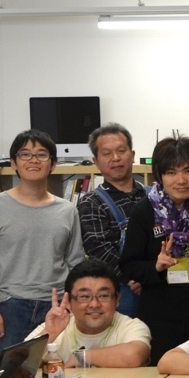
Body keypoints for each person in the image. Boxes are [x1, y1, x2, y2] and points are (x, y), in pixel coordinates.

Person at [0, 129, 84, 358]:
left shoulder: (67, 210)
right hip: (11, 307)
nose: (33, 160)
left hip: (57, 306)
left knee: (61, 370)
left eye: (41, 155)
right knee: (12, 375)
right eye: (25, 154)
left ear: (53, 164)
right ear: (14, 163)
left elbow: (76, 263)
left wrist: (72, 302)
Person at [120, 136, 189, 364]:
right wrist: (156, 266)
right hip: (160, 314)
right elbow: (128, 265)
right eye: (171, 172)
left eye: (188, 171)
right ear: (159, 175)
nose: (181, 180)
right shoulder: (144, 211)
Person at [25, 258, 150, 368]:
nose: (94, 304)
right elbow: (18, 364)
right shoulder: (54, 327)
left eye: (103, 296)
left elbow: (134, 355)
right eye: (84, 297)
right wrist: (50, 334)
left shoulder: (131, 326)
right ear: (68, 302)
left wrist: (83, 357)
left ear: (117, 299)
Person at [76, 123, 146, 317]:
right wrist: (134, 277)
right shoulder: (91, 202)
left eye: (121, 151)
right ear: (96, 161)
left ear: (132, 155)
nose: (116, 158)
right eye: (107, 153)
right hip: (123, 291)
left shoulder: (153, 196)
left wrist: (151, 274)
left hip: (156, 284)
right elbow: (98, 249)